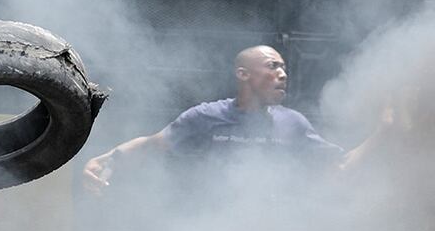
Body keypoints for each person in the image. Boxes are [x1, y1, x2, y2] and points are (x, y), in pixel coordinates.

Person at [81, 44, 362, 189]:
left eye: (284, 68)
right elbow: (153, 144)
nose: (282, 74)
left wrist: (386, 131)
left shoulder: (293, 123)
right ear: (243, 74)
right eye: (272, 66)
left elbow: (340, 163)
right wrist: (105, 160)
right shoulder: (206, 116)